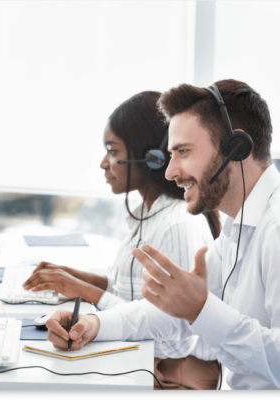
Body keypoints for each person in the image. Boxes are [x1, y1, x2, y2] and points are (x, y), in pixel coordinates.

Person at [46, 79, 280, 390]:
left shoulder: (275, 229)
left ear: (236, 148)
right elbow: (173, 311)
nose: (170, 172)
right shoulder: (237, 229)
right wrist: (93, 324)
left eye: (183, 151)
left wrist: (200, 310)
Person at [23, 91, 221, 390]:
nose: (104, 163)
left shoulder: (178, 225)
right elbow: (131, 294)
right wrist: (73, 278)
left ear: (152, 158)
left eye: (113, 151)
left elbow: (174, 331)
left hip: (172, 375)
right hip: (145, 360)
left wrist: (87, 292)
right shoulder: (146, 213)